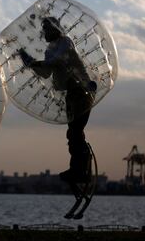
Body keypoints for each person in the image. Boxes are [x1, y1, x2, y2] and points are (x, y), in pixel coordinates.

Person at [19, 17, 96, 183]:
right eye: (43, 29)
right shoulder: (50, 50)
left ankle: (81, 171)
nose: (44, 32)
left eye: (47, 28)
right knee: (73, 133)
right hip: (71, 93)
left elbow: (59, 59)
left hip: (82, 90)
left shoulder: (65, 42)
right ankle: (79, 170)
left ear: (55, 29)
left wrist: (35, 62)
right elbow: (46, 73)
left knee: (75, 132)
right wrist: (31, 64)